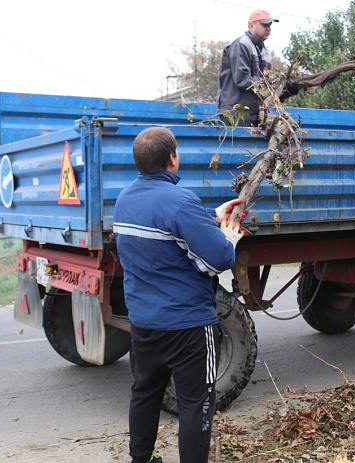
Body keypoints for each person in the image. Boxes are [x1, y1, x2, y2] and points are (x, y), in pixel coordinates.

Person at [113, 127, 246, 463]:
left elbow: (165, 230)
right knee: (196, 402)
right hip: (187, 325)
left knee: (144, 392)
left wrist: (213, 216)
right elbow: (218, 259)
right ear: (173, 158)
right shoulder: (180, 200)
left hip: (144, 321)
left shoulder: (124, 198)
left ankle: (141, 458)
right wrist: (229, 236)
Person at [217, 9, 299, 127]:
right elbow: (242, 80)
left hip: (255, 115)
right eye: (264, 24)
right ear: (251, 25)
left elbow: (267, 90)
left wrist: (286, 90)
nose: (268, 28)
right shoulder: (241, 45)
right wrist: (272, 84)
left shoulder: (266, 53)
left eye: (270, 25)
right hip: (235, 113)